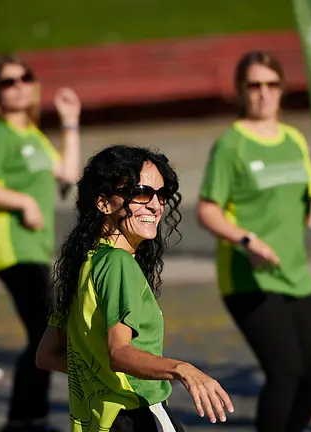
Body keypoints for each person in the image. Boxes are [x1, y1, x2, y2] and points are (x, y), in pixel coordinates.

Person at [36, 145, 234, 431]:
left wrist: (98, 375)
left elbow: (47, 354)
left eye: (161, 194)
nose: (155, 205)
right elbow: (119, 352)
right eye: (141, 193)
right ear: (104, 203)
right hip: (137, 416)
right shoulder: (118, 264)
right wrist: (181, 369)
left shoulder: (86, 263)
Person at [197, 51, 311, 432]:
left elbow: (310, 199)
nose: (263, 93)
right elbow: (207, 209)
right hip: (247, 274)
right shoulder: (231, 145)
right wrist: (245, 239)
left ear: (282, 90)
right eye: (254, 85)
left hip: (294, 271)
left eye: (271, 85)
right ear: (242, 91)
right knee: (286, 370)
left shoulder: (294, 139)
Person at [0, 53, 82, 432]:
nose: (18, 86)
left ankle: (30, 417)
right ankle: (24, 419)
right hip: (10, 246)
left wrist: (69, 123)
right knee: (45, 331)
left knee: (48, 330)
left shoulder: (30, 134)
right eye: (7, 82)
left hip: (32, 247)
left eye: (24, 78)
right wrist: (24, 201)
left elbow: (67, 172)